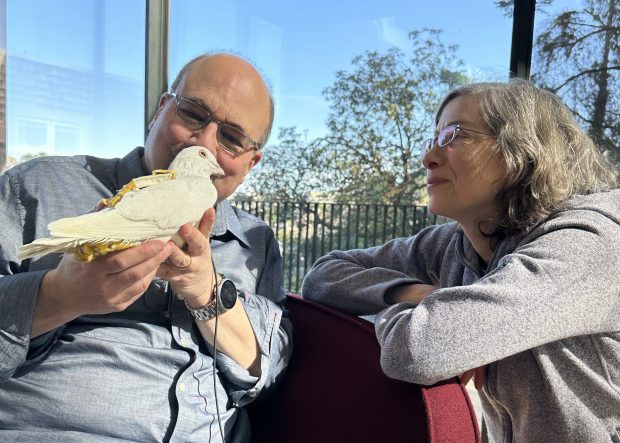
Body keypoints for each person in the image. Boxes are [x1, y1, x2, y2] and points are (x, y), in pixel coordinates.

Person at [302, 80, 620, 442]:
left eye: (453, 135)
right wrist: (419, 293)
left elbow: (417, 349)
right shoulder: (458, 242)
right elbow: (323, 276)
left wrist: (434, 314)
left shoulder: (587, 245)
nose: (429, 158)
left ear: (522, 151)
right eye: (433, 139)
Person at [0, 53, 292, 442]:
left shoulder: (255, 243)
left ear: (250, 163)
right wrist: (57, 296)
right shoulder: (36, 188)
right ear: (161, 110)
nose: (203, 141)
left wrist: (208, 292)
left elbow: (266, 375)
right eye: (192, 113)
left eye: (232, 138)